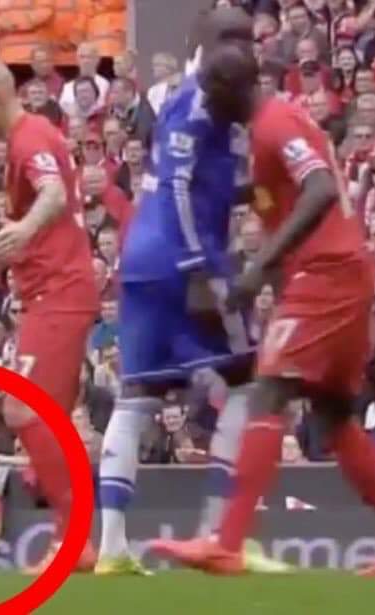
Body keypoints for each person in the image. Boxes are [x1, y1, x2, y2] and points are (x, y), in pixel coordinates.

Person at [152, 44, 375, 578]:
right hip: (336, 273)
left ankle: (227, 542)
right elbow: (277, 192)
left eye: (210, 94)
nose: (206, 105)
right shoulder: (264, 129)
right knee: (333, 414)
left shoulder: (277, 122)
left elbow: (319, 188)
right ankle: (226, 542)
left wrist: (258, 268)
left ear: (231, 89)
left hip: (327, 274)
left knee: (269, 390)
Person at [95, 6, 262, 577]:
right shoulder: (202, 102)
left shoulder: (203, 98)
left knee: (138, 394)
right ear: (201, 42)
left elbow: (212, 184)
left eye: (247, 37)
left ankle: (112, 548)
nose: (241, 45)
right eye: (230, 36)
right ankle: (217, 533)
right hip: (183, 258)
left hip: (142, 258)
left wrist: (258, 189)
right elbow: (182, 189)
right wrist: (198, 269)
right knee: (246, 382)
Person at [0, 55, 99, 573]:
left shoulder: (28, 138)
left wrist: (23, 229)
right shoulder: (31, 137)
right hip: (53, 291)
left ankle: (75, 534)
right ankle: (72, 541)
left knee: (21, 411)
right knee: (48, 421)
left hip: (59, 294)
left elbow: (53, 194)